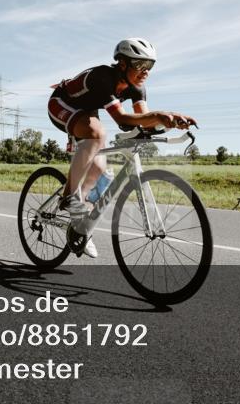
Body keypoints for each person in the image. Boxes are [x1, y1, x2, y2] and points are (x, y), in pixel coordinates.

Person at [48, 38, 197, 257]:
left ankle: (80, 222)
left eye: (150, 65)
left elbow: (142, 119)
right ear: (123, 63)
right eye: (140, 64)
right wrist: (158, 115)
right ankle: (69, 197)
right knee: (98, 134)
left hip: (87, 110)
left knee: (100, 168)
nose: (146, 71)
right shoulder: (103, 77)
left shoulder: (137, 88)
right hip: (62, 103)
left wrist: (172, 120)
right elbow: (122, 118)